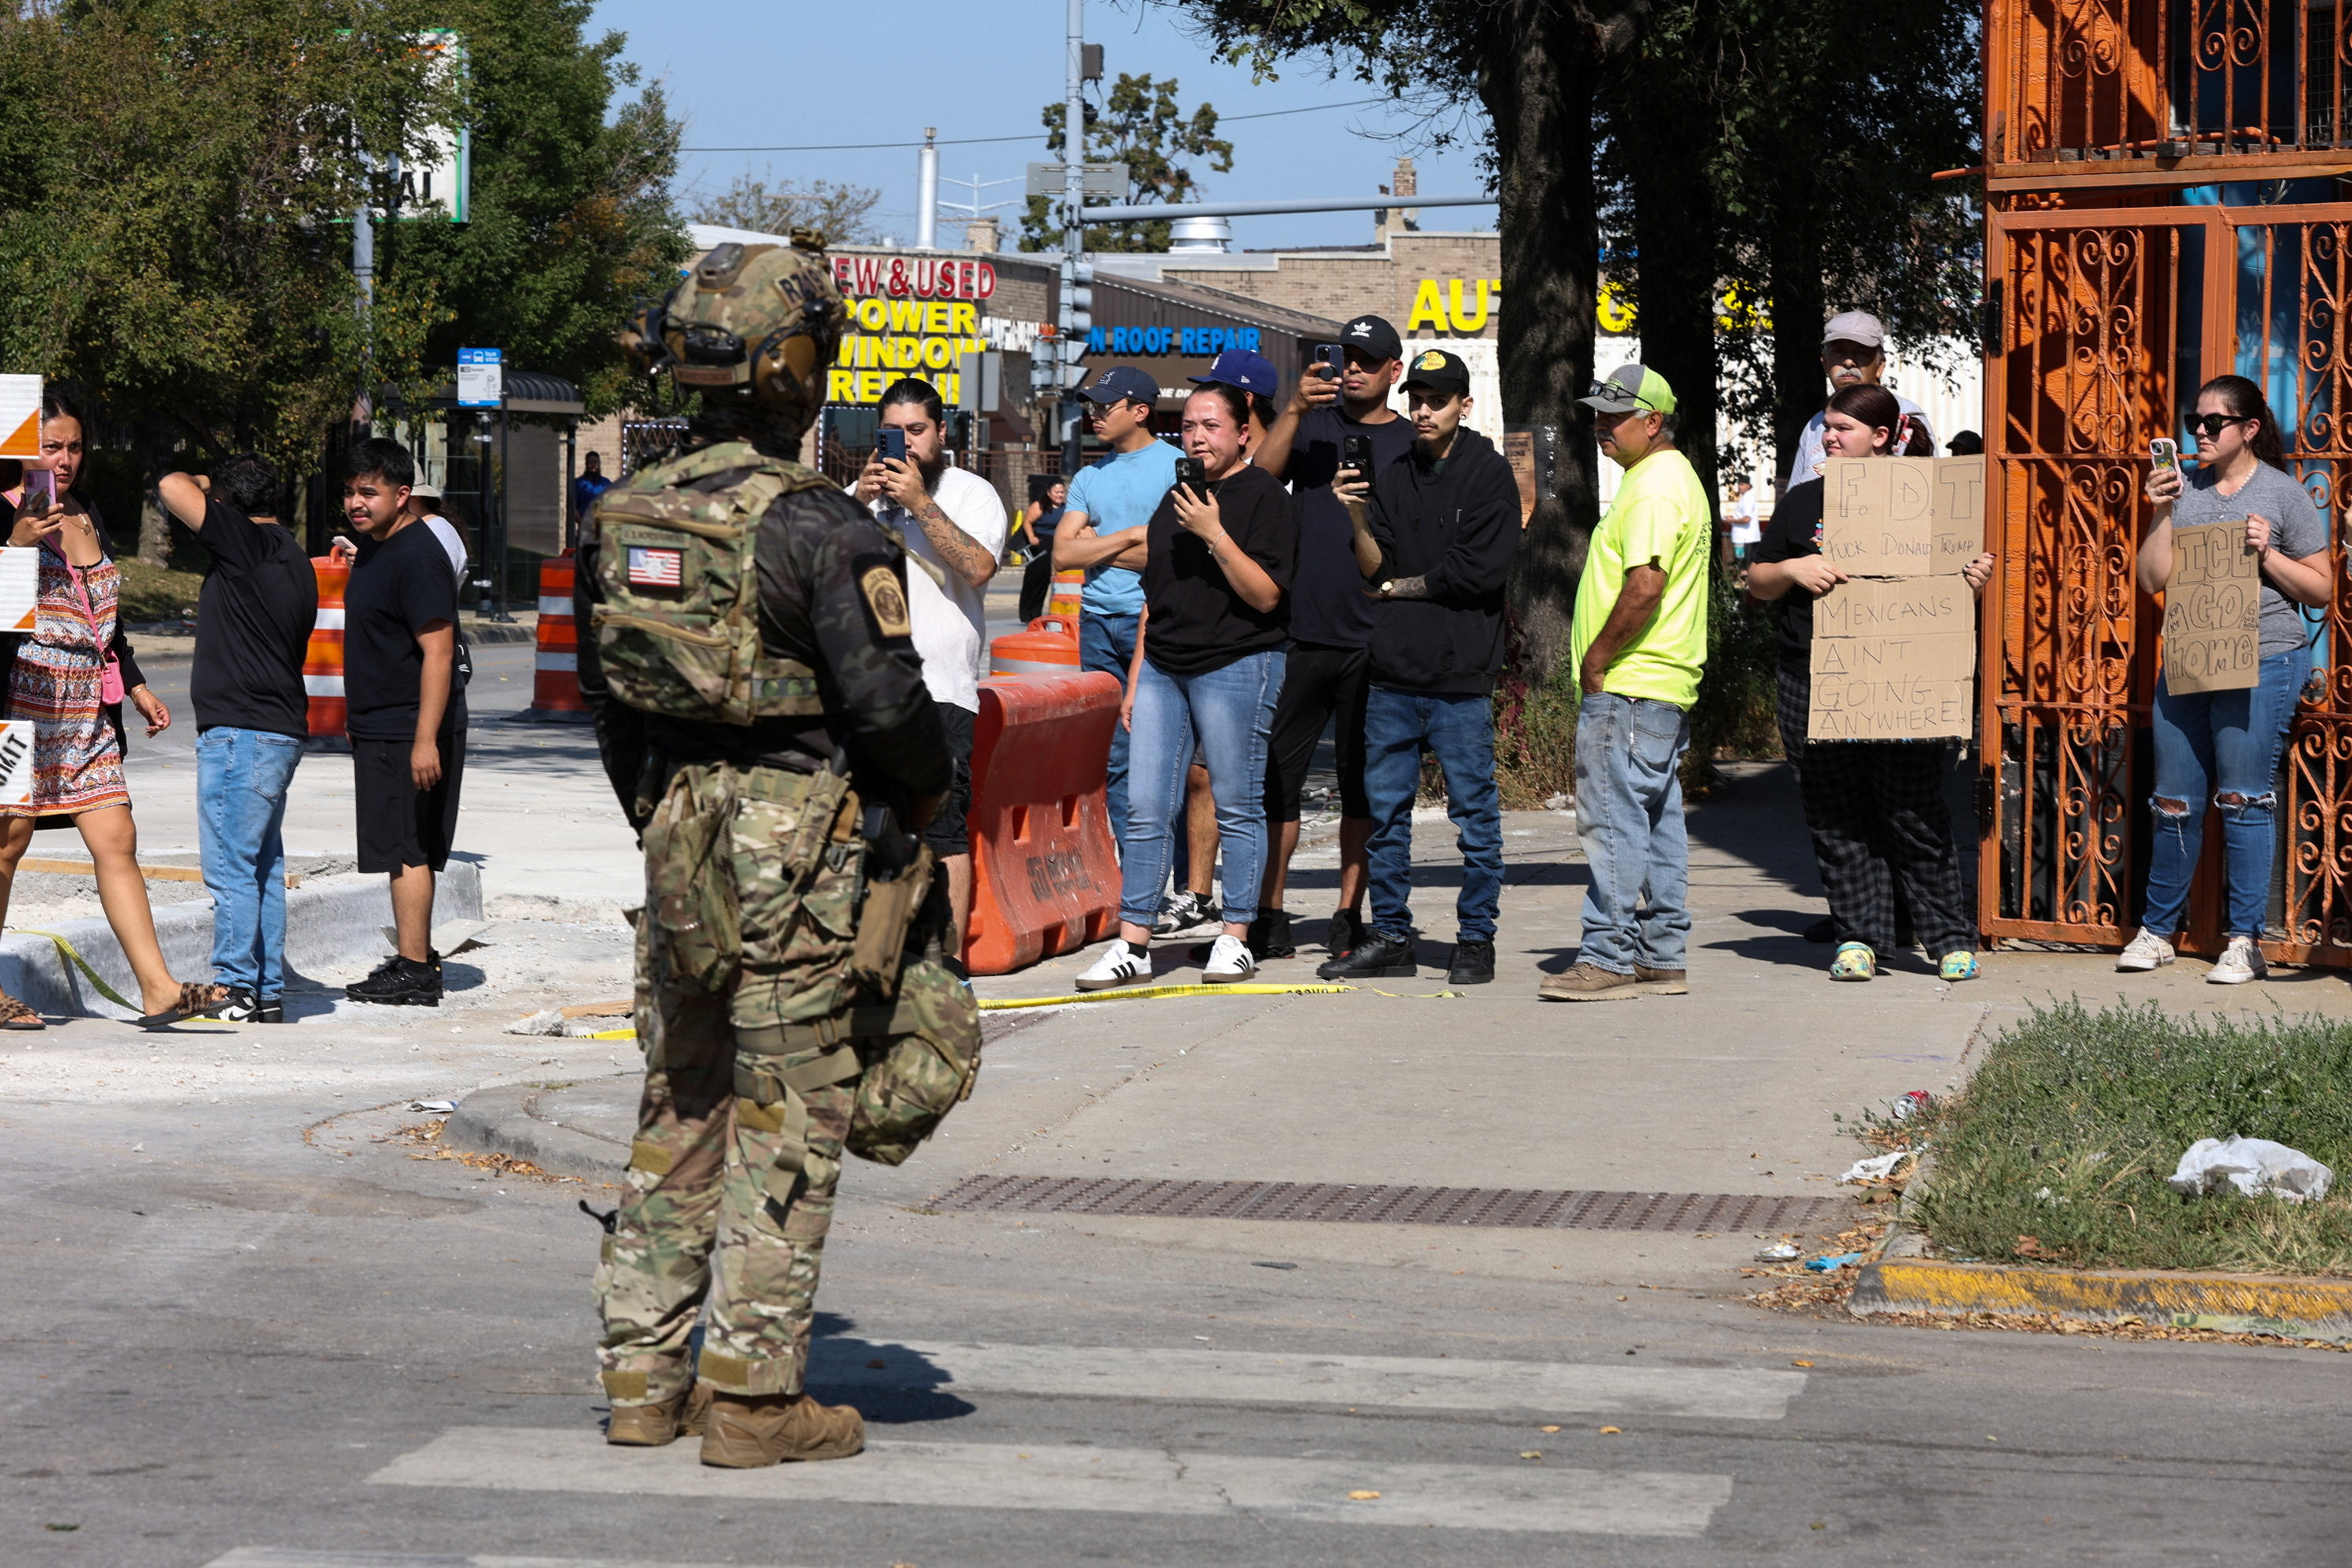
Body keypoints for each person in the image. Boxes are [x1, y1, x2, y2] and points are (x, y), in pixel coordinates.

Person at [581, 235, 974, 1466]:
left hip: (679, 839)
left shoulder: (621, 514)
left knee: (678, 1101)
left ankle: (643, 1380)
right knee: (789, 1119)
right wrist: (920, 812)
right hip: (801, 847)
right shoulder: (817, 530)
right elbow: (892, 711)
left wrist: (665, 817)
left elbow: (611, 706)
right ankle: (751, 1401)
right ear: (797, 370)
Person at [1747, 383, 1995, 983]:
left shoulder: (1931, 499)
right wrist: (1791, 569)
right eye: (1827, 427)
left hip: (1902, 678)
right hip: (1812, 675)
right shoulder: (1804, 501)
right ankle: (1858, 937)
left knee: (1913, 811)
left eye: (1844, 429)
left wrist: (1974, 575)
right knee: (1837, 814)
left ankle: (1948, 940)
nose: (1830, 437)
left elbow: (1959, 575)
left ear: (1882, 437)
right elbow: (1756, 580)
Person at [0, 393, 224, 1029]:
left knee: (117, 836)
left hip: (84, 713)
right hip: (20, 704)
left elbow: (103, 621)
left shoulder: (85, 511)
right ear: (20, 445)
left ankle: (157, 989)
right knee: (6, 844)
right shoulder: (5, 512)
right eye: (51, 446)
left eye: (74, 446)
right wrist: (14, 545)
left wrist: (135, 683)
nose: (64, 459)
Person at [1075, 383, 1296, 989]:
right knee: (1146, 806)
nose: (1197, 437)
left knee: (1237, 802)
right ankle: (1133, 943)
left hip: (1237, 664)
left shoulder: (1264, 497)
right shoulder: (1174, 499)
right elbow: (1157, 600)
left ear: (1242, 433)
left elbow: (1267, 595)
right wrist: (1136, 679)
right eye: (1190, 427)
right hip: (1165, 670)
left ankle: (1237, 936)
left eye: (1211, 426)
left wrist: (1214, 532)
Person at [1316, 349, 1519, 987]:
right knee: (1386, 815)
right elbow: (1374, 566)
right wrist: (1352, 511)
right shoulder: (1394, 471)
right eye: (1418, 399)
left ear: (1465, 403)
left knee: (1475, 816)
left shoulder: (1488, 475)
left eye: (1438, 399)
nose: (1424, 410)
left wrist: (1405, 588)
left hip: (1460, 676)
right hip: (1394, 674)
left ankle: (1476, 938)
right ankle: (1393, 935)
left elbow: (1478, 572)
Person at [2119, 375, 2331, 984]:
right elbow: (2151, 579)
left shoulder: (2284, 496)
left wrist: (2268, 553)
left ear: (2250, 430)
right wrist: (2161, 509)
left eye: (2214, 423)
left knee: (2244, 799)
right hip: (2192, 654)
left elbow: (2321, 588)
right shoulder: (2185, 492)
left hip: (2265, 658)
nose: (2202, 433)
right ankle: (2158, 931)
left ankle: (2245, 941)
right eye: (2195, 423)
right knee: (2174, 802)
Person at [1540, 364, 1713, 1002]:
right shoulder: (1676, 480)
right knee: (1657, 820)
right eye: (1598, 414)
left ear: (1654, 421)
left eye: (1616, 416)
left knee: (1610, 821)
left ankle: (1607, 954)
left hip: (1631, 683)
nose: (1600, 427)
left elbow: (1646, 585)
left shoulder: (1651, 489)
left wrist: (1596, 660)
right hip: (1662, 683)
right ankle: (1662, 952)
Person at [1250, 315, 1412, 961]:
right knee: (1276, 782)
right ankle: (1270, 911)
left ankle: (1350, 912)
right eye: (1346, 357)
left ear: (1393, 372)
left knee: (1360, 784)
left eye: (1367, 361)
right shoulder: (1313, 426)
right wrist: (1291, 409)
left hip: (1375, 636)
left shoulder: (1410, 439)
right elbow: (1259, 483)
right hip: (1304, 632)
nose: (1352, 369)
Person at [156, 456, 318, 1025]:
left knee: (229, 866)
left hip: (242, 735)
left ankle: (235, 986)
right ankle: (267, 989)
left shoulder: (245, 543)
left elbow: (171, 485)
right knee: (261, 867)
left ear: (225, 506)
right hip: (276, 733)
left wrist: (206, 485)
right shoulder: (294, 555)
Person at [850, 376, 1006, 948]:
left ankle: (947, 962)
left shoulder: (971, 493)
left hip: (940, 691)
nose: (906, 444)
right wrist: (862, 501)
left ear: (942, 432)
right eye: (893, 433)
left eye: (916, 431)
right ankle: (877, 955)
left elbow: (979, 568)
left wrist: (919, 503)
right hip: (866, 692)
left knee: (942, 830)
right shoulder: (859, 496)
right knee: (865, 828)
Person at [339, 437, 465, 1007]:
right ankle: (414, 956)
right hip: (380, 723)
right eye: (350, 491)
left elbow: (438, 652)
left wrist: (424, 741)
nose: (356, 502)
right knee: (395, 846)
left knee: (410, 848)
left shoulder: (417, 555)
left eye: (369, 491)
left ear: (403, 494)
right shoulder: (377, 548)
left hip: (409, 726)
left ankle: (416, 970)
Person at [1053, 366, 1179, 842]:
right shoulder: (1089, 474)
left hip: (1156, 623)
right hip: (1097, 624)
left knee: (1169, 752)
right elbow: (1063, 554)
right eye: (1092, 406)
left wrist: (1099, 543)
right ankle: (1135, 873)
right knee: (1115, 755)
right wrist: (1130, 536)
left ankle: (1184, 879)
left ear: (1140, 411)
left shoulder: (1176, 465)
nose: (1095, 415)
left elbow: (1172, 556)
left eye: (1106, 406)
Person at [1785, 311, 1936, 487]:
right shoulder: (1815, 425)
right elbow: (1793, 496)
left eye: (1861, 352)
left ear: (1880, 366)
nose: (1849, 362)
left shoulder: (1905, 418)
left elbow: (1925, 496)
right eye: (1839, 352)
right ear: (1825, 362)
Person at [1016, 476, 1067, 623]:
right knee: (1033, 578)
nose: (1059, 495)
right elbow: (1027, 522)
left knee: (1045, 579)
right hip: (1039, 544)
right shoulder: (1039, 506)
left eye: (1062, 492)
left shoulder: (1066, 509)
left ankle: (1036, 613)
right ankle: (1026, 613)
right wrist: (1032, 537)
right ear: (1049, 493)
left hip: (1055, 544)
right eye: (1056, 492)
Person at [571, 450, 614, 527]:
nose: (593, 465)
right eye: (590, 462)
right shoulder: (579, 483)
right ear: (586, 464)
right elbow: (572, 507)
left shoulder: (606, 483)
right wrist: (581, 522)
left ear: (600, 464)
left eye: (596, 462)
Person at [1726, 477, 1762, 566]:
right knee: (1740, 562)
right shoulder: (1745, 497)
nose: (1739, 487)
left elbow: (1747, 519)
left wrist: (1731, 520)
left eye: (1742, 485)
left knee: (1743, 565)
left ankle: (1743, 578)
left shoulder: (1748, 498)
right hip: (1742, 538)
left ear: (1748, 486)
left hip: (1745, 538)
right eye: (1739, 484)